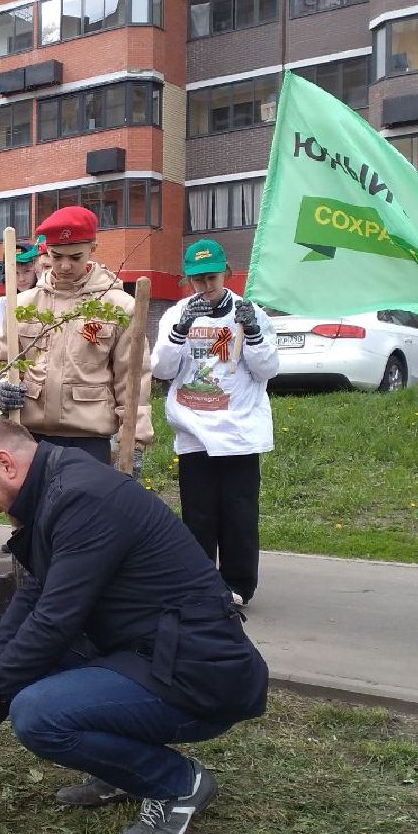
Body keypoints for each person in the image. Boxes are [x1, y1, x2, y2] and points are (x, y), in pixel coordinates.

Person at [0, 420, 269, 834]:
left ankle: (179, 784)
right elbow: (32, 599)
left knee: (37, 714)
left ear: (6, 465)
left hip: (197, 672)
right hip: (150, 652)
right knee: (24, 677)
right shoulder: (58, 490)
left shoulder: (80, 498)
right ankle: (124, 772)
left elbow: (55, 621)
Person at [151, 239, 278, 606]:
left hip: (239, 429)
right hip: (194, 430)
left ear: (227, 274)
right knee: (199, 514)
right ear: (186, 281)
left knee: (239, 513)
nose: (205, 288)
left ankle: (238, 585)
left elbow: (268, 369)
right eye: (197, 280)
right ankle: (201, 584)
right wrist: (180, 333)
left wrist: (252, 333)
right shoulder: (178, 313)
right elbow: (161, 368)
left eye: (212, 278)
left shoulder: (248, 312)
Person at [0, 205, 151, 469]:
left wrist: (133, 441)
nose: (65, 265)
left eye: (75, 257)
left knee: (86, 511)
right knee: (34, 511)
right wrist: (1, 392)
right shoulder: (22, 305)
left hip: (89, 440)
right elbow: (4, 365)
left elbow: (133, 378)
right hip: (30, 437)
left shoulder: (119, 306)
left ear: (93, 248)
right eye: (57, 256)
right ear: (46, 253)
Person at [0, 242, 41, 343]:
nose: (21, 279)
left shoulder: (45, 301)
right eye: (15, 272)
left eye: (27, 271)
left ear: (37, 270)